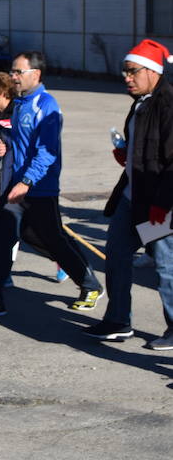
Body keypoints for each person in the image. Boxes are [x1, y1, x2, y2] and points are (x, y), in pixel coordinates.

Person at [0, 51, 104, 317]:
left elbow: (47, 151)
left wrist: (27, 181)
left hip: (39, 188)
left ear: (35, 75)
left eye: (18, 72)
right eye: (13, 72)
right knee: (1, 240)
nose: (13, 77)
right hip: (14, 188)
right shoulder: (20, 105)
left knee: (54, 241)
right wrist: (7, 144)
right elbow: (23, 141)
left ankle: (90, 286)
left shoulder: (47, 105)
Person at [82, 40, 173, 350]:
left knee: (165, 267)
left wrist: (163, 203)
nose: (126, 77)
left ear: (152, 71)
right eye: (125, 71)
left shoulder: (168, 105)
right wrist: (126, 154)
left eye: (132, 71)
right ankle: (119, 320)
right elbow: (146, 150)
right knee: (117, 257)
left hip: (159, 206)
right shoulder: (140, 103)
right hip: (132, 198)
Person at [0, 72, 66, 285]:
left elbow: (33, 146)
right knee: (2, 231)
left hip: (20, 184)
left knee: (29, 233)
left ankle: (62, 260)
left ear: (2, 93)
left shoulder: (20, 110)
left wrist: (8, 147)